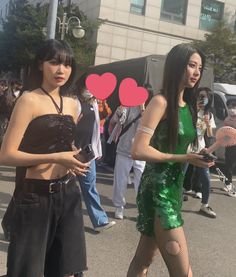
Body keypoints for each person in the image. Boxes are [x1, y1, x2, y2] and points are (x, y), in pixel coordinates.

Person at [0, 39, 88, 277]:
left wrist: (74, 158)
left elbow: (64, 142)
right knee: (29, 271)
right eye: (54, 63)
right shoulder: (28, 100)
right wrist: (57, 157)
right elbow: (6, 154)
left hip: (68, 193)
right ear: (40, 65)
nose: (61, 70)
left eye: (67, 65)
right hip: (35, 196)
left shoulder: (71, 103)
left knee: (67, 269)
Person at [127, 43, 215, 277]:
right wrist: (183, 157)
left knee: (143, 259)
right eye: (191, 65)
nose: (196, 72)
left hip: (174, 188)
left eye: (199, 67)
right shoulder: (161, 102)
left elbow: (182, 145)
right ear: (177, 66)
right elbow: (138, 150)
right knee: (183, 273)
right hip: (158, 190)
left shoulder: (187, 106)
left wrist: (200, 156)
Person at [74, 74, 116, 232]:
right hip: (71, 152)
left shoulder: (94, 102)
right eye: (88, 86)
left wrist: (97, 151)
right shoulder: (74, 102)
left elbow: (96, 129)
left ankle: (100, 220)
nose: (90, 90)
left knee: (90, 186)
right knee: (65, 188)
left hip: (87, 153)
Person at [109, 104, 146, 220]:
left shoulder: (150, 109)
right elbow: (113, 122)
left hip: (140, 151)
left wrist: (143, 109)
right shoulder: (125, 107)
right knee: (120, 180)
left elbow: (148, 126)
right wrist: (113, 136)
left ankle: (142, 208)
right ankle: (119, 206)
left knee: (142, 181)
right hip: (124, 149)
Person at [192, 87, 216, 218]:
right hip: (187, 148)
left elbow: (210, 135)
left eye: (204, 97)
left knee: (206, 178)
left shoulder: (209, 114)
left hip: (201, 149)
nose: (201, 99)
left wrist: (207, 122)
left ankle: (204, 205)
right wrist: (195, 109)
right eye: (199, 96)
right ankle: (174, 203)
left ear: (209, 99)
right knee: (180, 175)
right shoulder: (190, 110)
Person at [223, 99, 236, 195]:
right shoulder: (226, 119)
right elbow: (224, 132)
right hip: (230, 145)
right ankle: (228, 183)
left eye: (233, 107)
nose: (231, 109)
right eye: (229, 107)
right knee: (229, 165)